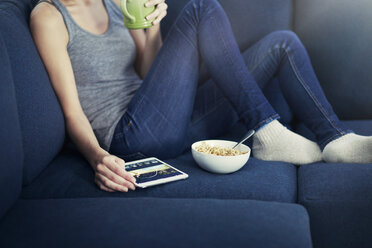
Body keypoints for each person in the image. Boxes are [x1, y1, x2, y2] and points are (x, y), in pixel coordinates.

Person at [30, 0, 372, 193]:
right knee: (200, 8)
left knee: (282, 42)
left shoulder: (115, 3)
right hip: (128, 135)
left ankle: (335, 139)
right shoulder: (48, 16)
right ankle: (266, 131)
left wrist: (150, 31)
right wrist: (97, 159)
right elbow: (72, 111)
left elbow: (149, 74)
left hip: (164, 119)